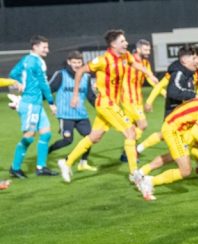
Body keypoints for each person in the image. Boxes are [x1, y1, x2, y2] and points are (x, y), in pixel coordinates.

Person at [57, 29, 159, 184]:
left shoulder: (125, 56)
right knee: (131, 132)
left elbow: (136, 64)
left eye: (125, 41)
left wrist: (149, 74)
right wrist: (75, 95)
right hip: (106, 103)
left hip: (112, 104)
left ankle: (67, 162)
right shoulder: (102, 60)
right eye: (122, 41)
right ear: (113, 44)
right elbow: (79, 72)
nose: (126, 43)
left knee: (94, 137)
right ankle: (134, 174)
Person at [8, 35, 58, 177]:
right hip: (30, 104)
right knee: (29, 137)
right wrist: (51, 103)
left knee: (46, 133)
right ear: (35, 47)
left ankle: (41, 168)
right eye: (44, 47)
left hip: (36, 103)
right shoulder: (37, 62)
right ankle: (15, 167)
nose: (47, 50)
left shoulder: (25, 59)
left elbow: (13, 73)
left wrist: (19, 83)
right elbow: (44, 84)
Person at [47, 50, 97, 172]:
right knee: (67, 140)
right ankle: (48, 151)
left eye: (79, 62)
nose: (77, 65)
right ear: (69, 62)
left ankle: (83, 163)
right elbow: (48, 90)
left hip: (81, 115)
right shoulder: (61, 75)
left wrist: (101, 109)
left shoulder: (86, 76)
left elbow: (90, 96)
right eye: (74, 62)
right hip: (65, 115)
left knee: (90, 138)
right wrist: (50, 104)